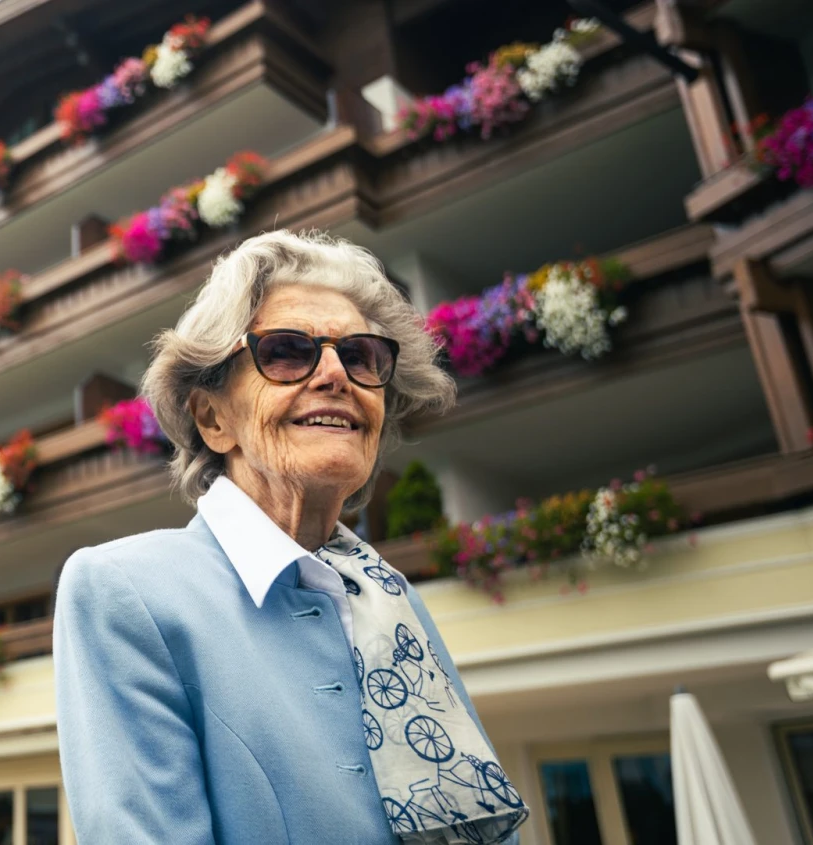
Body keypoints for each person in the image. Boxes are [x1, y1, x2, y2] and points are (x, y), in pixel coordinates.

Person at [53, 230, 527, 844]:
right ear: (212, 418)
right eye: (286, 351)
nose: (336, 374)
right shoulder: (125, 591)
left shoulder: (388, 594)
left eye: (361, 356)